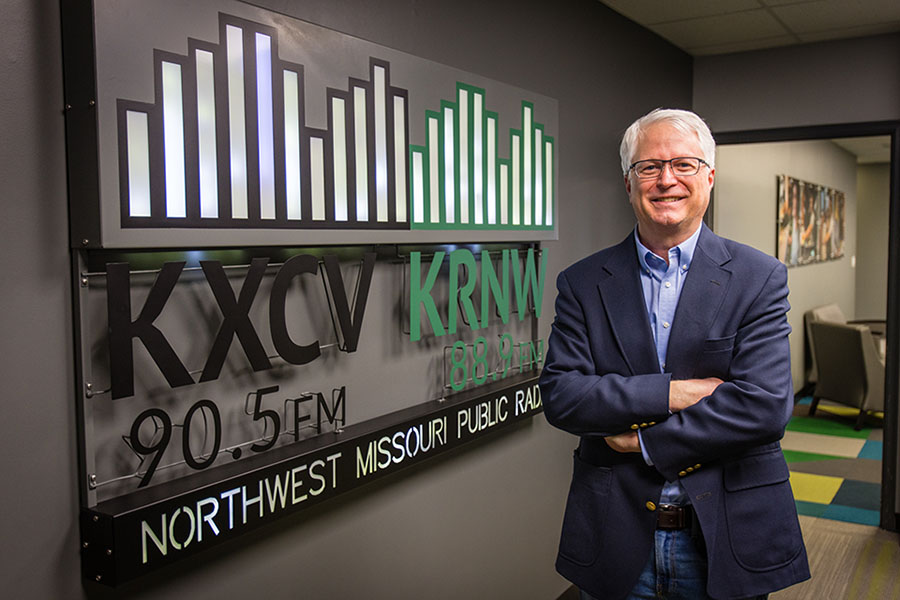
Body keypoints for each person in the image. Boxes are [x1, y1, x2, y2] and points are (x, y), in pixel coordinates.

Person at [539, 108, 810, 600]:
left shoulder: (759, 277)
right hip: (616, 532)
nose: (667, 180)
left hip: (727, 532)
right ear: (628, 183)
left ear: (709, 176)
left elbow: (766, 407)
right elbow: (563, 396)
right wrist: (676, 393)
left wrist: (644, 443)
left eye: (683, 165)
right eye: (649, 167)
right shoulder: (581, 283)